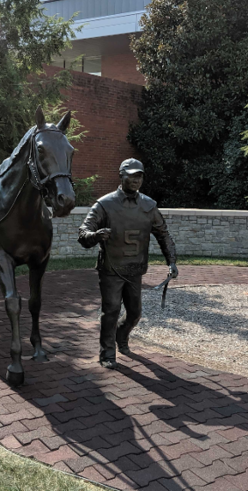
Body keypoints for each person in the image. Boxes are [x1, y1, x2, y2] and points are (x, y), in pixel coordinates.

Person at [78, 158, 178, 369]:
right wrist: (95, 235)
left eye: (139, 176)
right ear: (121, 175)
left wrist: (172, 262)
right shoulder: (104, 204)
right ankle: (107, 353)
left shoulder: (149, 206)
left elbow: (164, 235)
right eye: (132, 175)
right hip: (111, 269)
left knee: (135, 313)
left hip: (135, 269)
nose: (136, 180)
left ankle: (121, 337)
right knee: (111, 310)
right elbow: (83, 234)